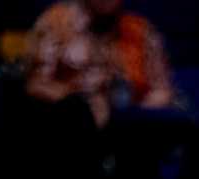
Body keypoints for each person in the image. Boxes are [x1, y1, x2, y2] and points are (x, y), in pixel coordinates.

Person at [24, 0, 174, 127]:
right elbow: (36, 84)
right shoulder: (57, 21)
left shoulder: (139, 30)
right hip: (67, 126)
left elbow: (162, 91)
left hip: (127, 130)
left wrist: (131, 113)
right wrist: (82, 104)